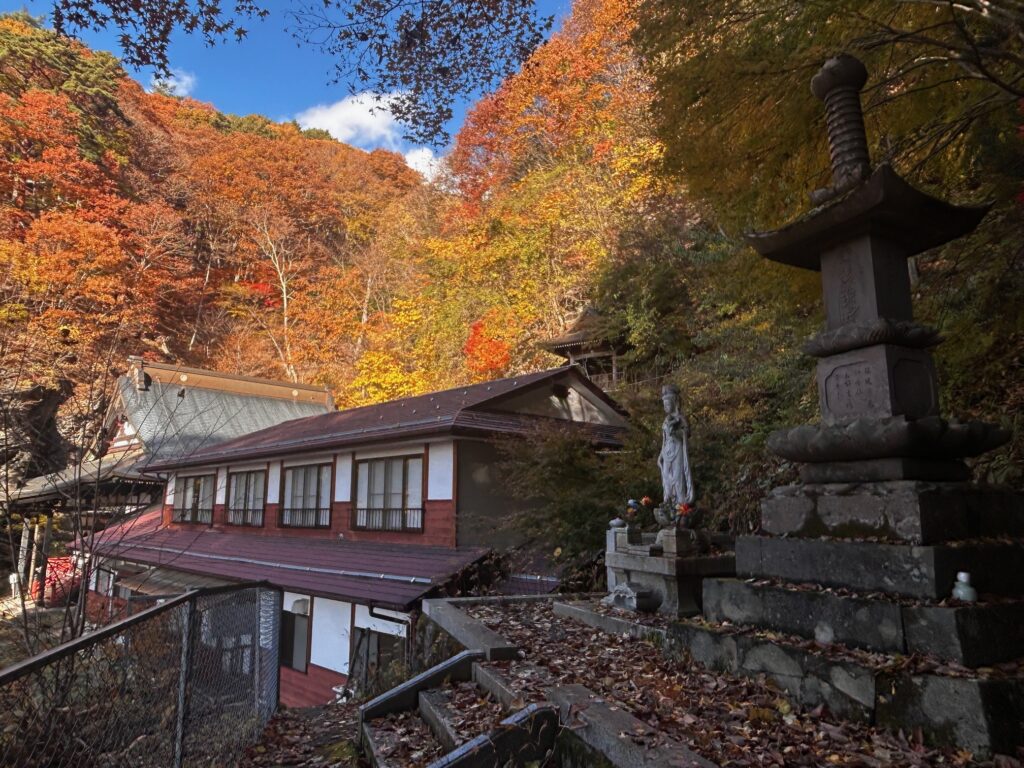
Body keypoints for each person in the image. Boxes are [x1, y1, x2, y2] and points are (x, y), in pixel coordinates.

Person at [658, 385, 694, 508]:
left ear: (674, 403)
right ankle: (668, 501)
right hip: (667, 451)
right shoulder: (665, 421)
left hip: (678, 450)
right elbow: (664, 440)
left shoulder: (681, 419)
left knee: (678, 477)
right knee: (667, 477)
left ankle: (681, 504)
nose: (665, 407)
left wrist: (675, 432)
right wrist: (660, 455)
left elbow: (686, 434)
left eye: (667, 404)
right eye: (664, 405)